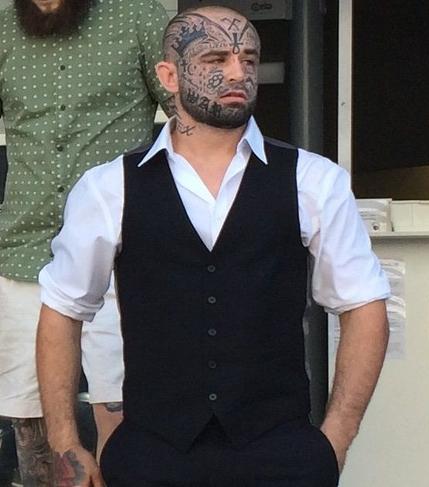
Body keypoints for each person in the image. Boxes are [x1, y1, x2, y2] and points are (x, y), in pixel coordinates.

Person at [36, 5, 391, 487]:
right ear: (169, 75)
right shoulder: (108, 187)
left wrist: (334, 440)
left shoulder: (313, 179)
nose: (238, 73)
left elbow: (365, 305)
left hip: (281, 453)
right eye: (216, 59)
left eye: (249, 58)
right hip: (151, 454)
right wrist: (65, 443)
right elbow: (61, 310)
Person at [0, 0, 172, 484]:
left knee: (121, 406)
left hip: (122, 251)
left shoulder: (139, 16)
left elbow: (189, 112)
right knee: (28, 415)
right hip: (24, 247)